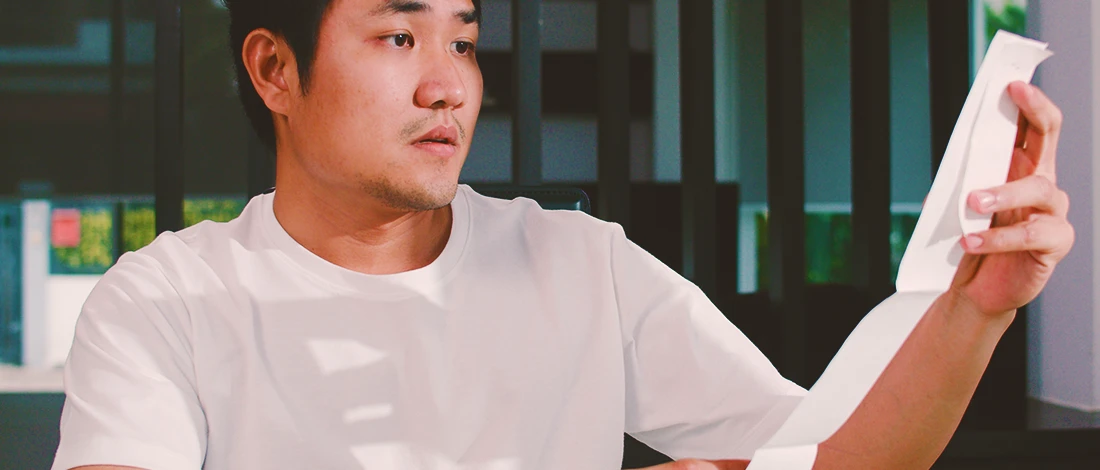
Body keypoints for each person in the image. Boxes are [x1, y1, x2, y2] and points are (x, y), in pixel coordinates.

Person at [50, 0, 1075, 469]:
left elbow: (834, 458)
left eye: (463, 40)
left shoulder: (580, 264)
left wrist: (973, 310)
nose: (448, 84)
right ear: (276, 70)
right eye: (399, 35)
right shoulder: (164, 300)